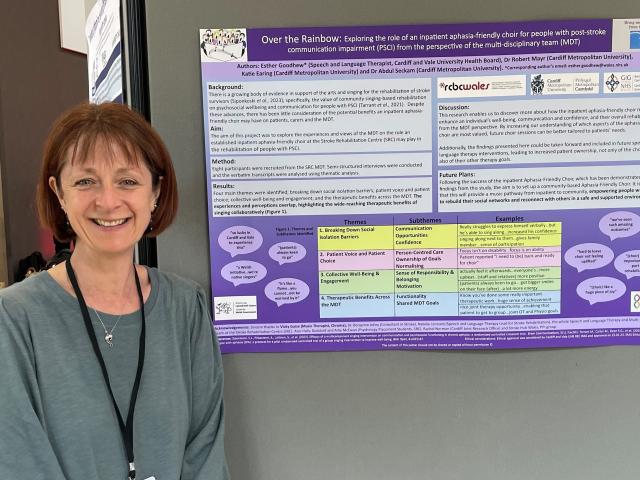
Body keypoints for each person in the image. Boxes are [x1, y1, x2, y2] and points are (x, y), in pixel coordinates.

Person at [0, 102, 229, 480]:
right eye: (86, 181)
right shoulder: (15, 319)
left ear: (155, 191)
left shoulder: (186, 307)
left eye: (127, 181)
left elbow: (205, 455)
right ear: (59, 193)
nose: (108, 201)